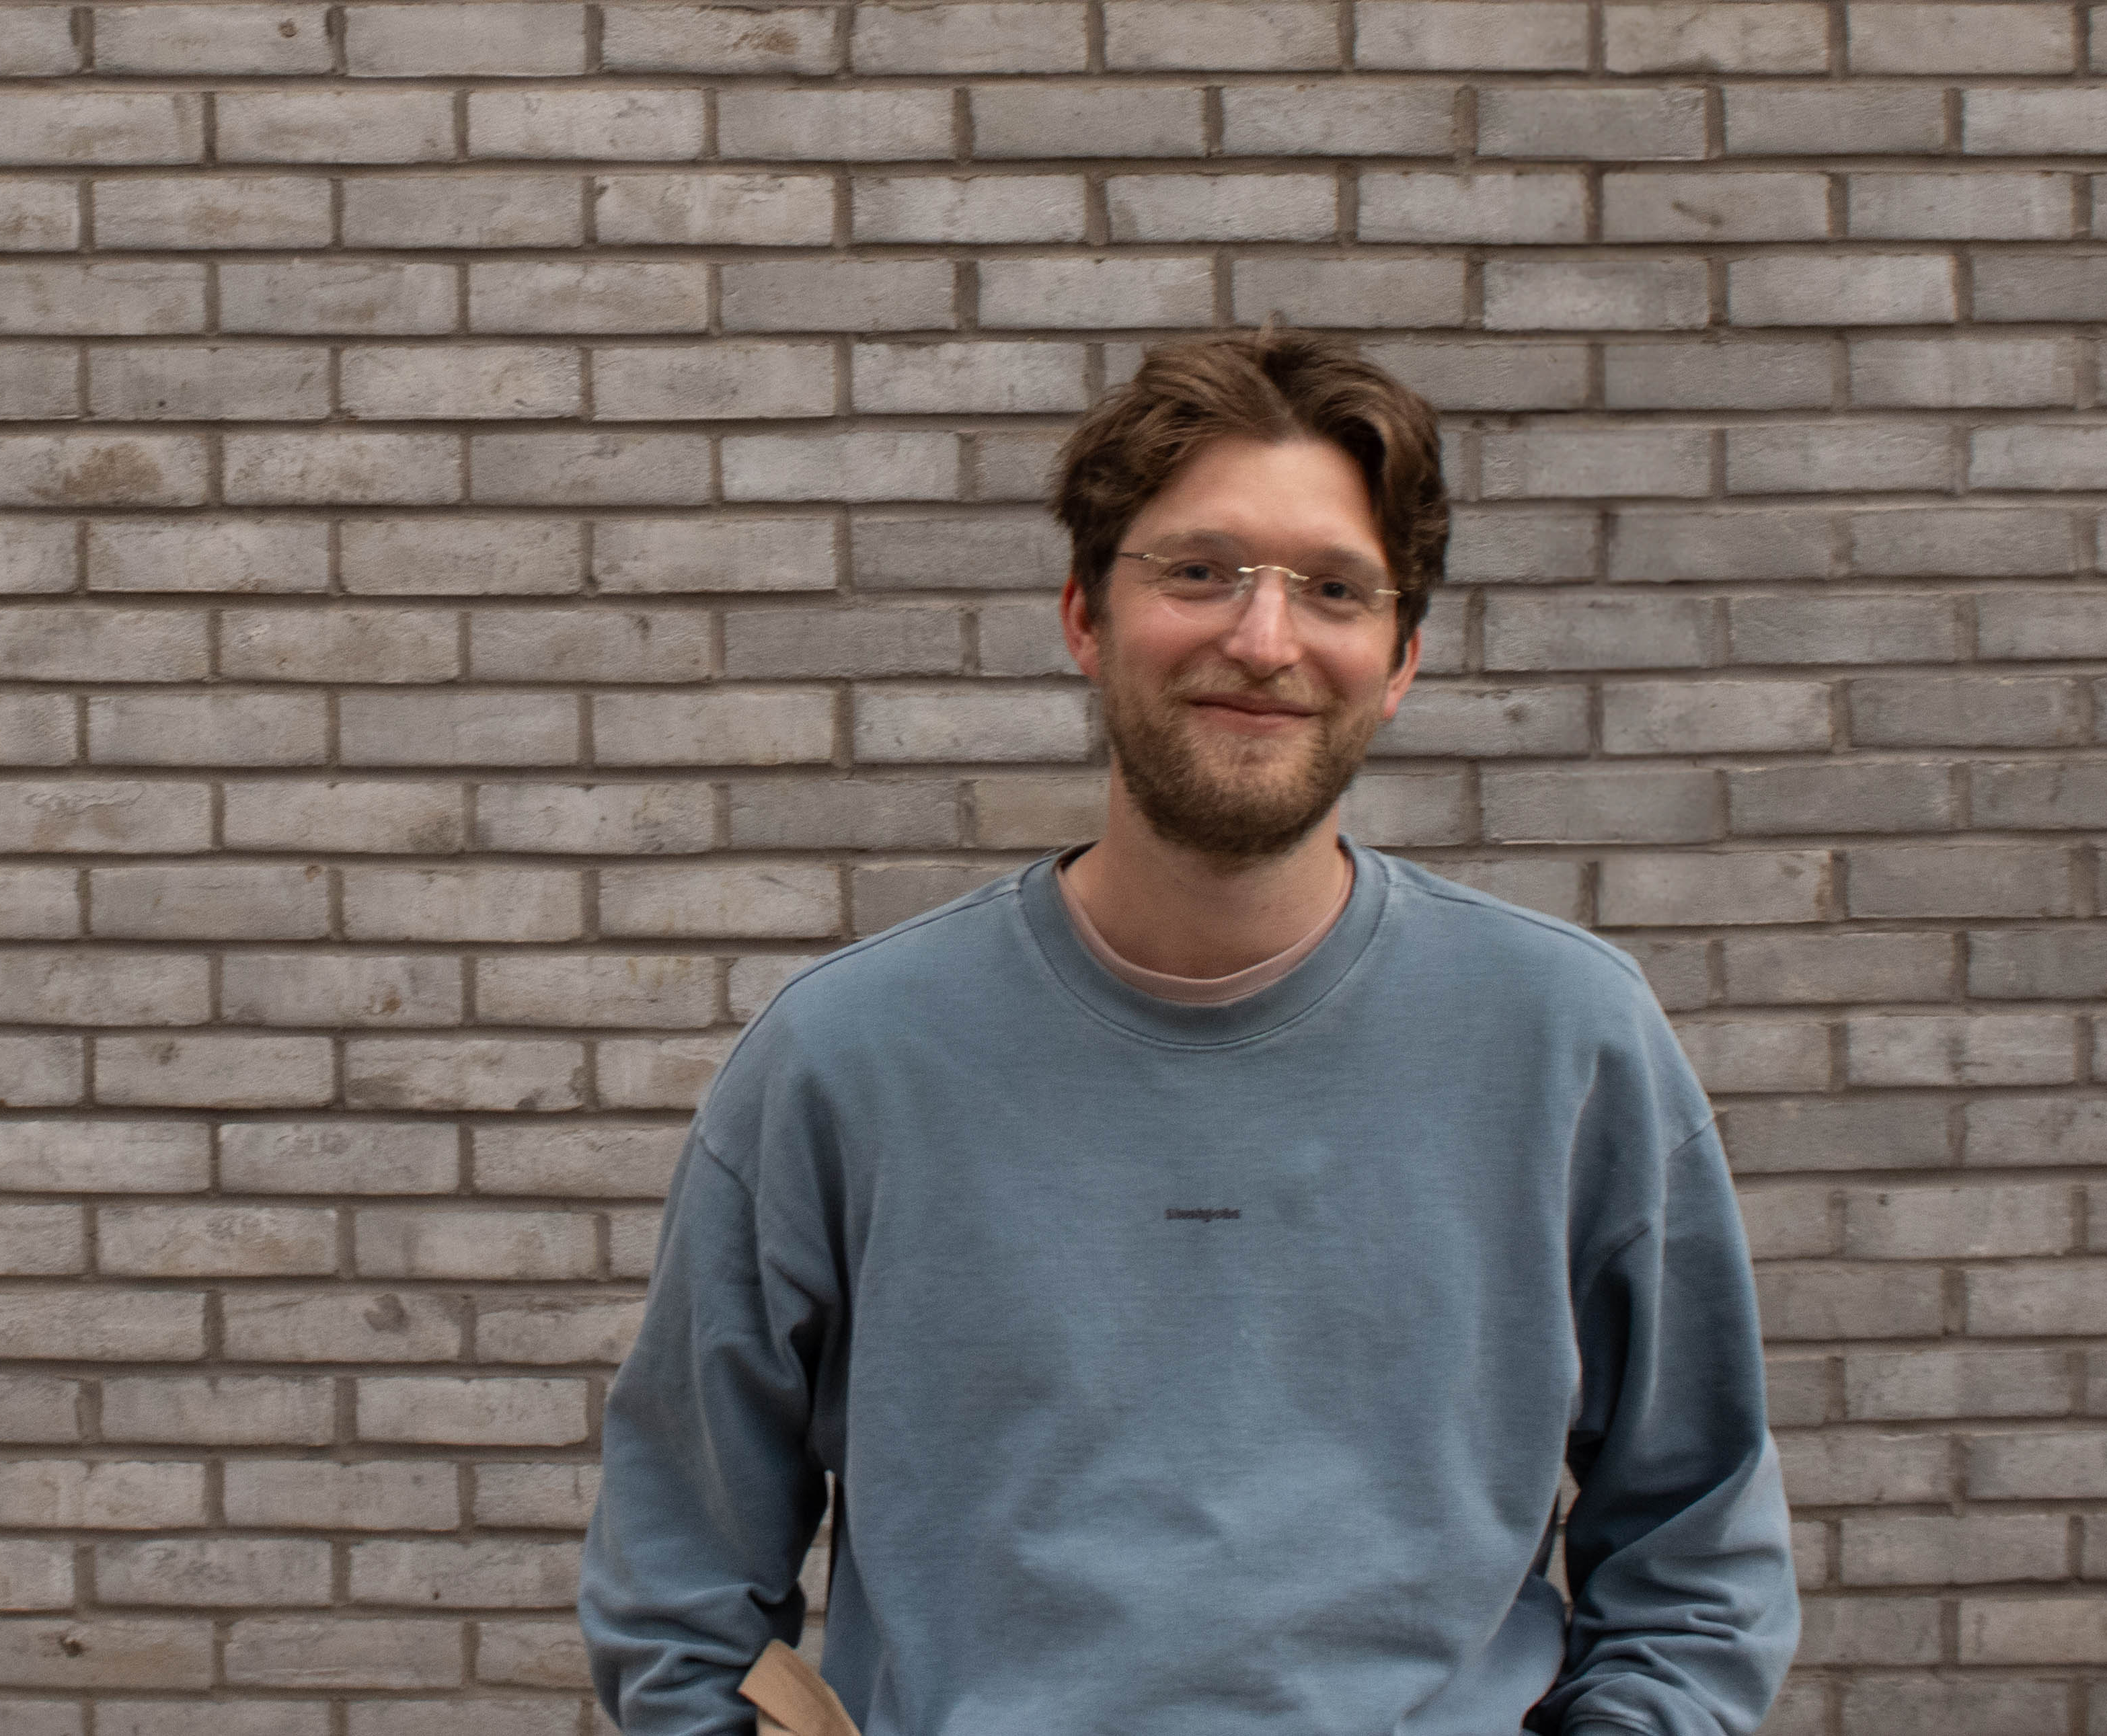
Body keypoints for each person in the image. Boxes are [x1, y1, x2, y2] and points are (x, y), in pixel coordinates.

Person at [580, 329, 1798, 1736]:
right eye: (1199, 570)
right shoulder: (846, 1059)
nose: (1262, 639)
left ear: (1399, 660)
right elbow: (680, 1585)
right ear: (1087, 616)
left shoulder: (1571, 1043)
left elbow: (1699, 1552)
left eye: (1333, 589)